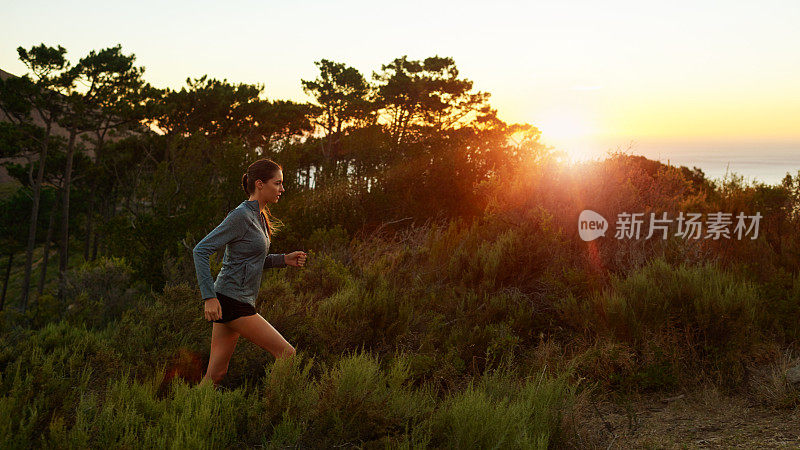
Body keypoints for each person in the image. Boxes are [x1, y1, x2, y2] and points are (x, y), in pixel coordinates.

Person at [192, 158, 307, 386]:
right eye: (278, 183)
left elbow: (250, 260)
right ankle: (271, 411)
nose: (282, 189)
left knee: (215, 375)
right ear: (260, 184)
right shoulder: (241, 216)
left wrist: (283, 259)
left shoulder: (261, 216)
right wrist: (209, 297)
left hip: (233, 299)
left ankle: (185, 414)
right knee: (287, 354)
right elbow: (200, 250)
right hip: (232, 301)